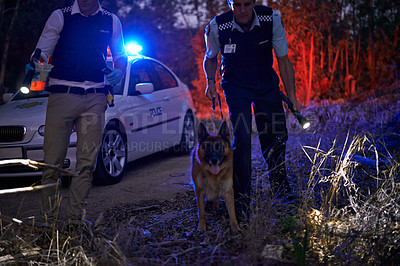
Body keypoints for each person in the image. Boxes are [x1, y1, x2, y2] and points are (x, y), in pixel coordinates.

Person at [31, 0, 128, 227]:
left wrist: (119, 72)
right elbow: (40, 53)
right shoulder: (60, 16)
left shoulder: (111, 20)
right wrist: (38, 67)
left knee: (86, 164)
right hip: (62, 95)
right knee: (52, 163)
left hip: (95, 97)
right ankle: (49, 224)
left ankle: (75, 222)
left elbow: (121, 55)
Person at [203, 0, 300, 214]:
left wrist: (291, 95)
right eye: (237, 5)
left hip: (265, 82)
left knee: (275, 133)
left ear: (254, 3)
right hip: (236, 85)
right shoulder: (218, 26)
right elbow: (210, 57)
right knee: (243, 137)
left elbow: (283, 59)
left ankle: (281, 188)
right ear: (230, 4)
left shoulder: (271, 19)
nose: (243, 10)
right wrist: (210, 82)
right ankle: (242, 198)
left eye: (247, 4)